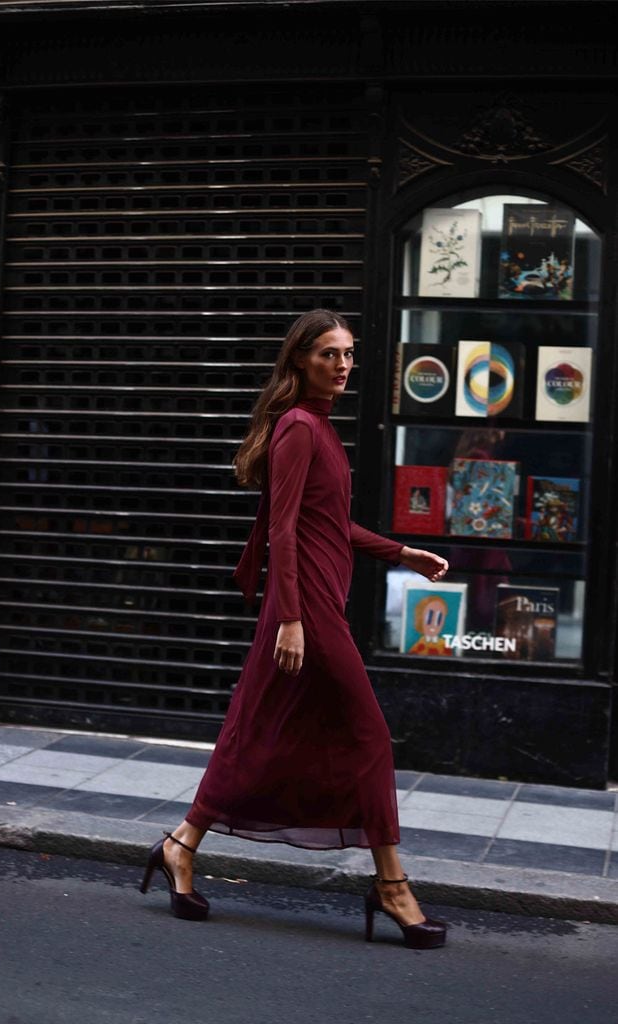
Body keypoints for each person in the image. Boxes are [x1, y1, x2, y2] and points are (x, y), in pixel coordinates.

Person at [140, 309, 449, 949]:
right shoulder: (299, 428)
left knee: (256, 731)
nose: (342, 366)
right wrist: (289, 620)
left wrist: (402, 553)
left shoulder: (323, 431)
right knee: (370, 737)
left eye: (348, 354)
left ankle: (180, 844)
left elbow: (328, 525)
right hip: (304, 607)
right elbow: (283, 532)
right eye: (329, 354)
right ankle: (391, 885)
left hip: (318, 602)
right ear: (300, 359)